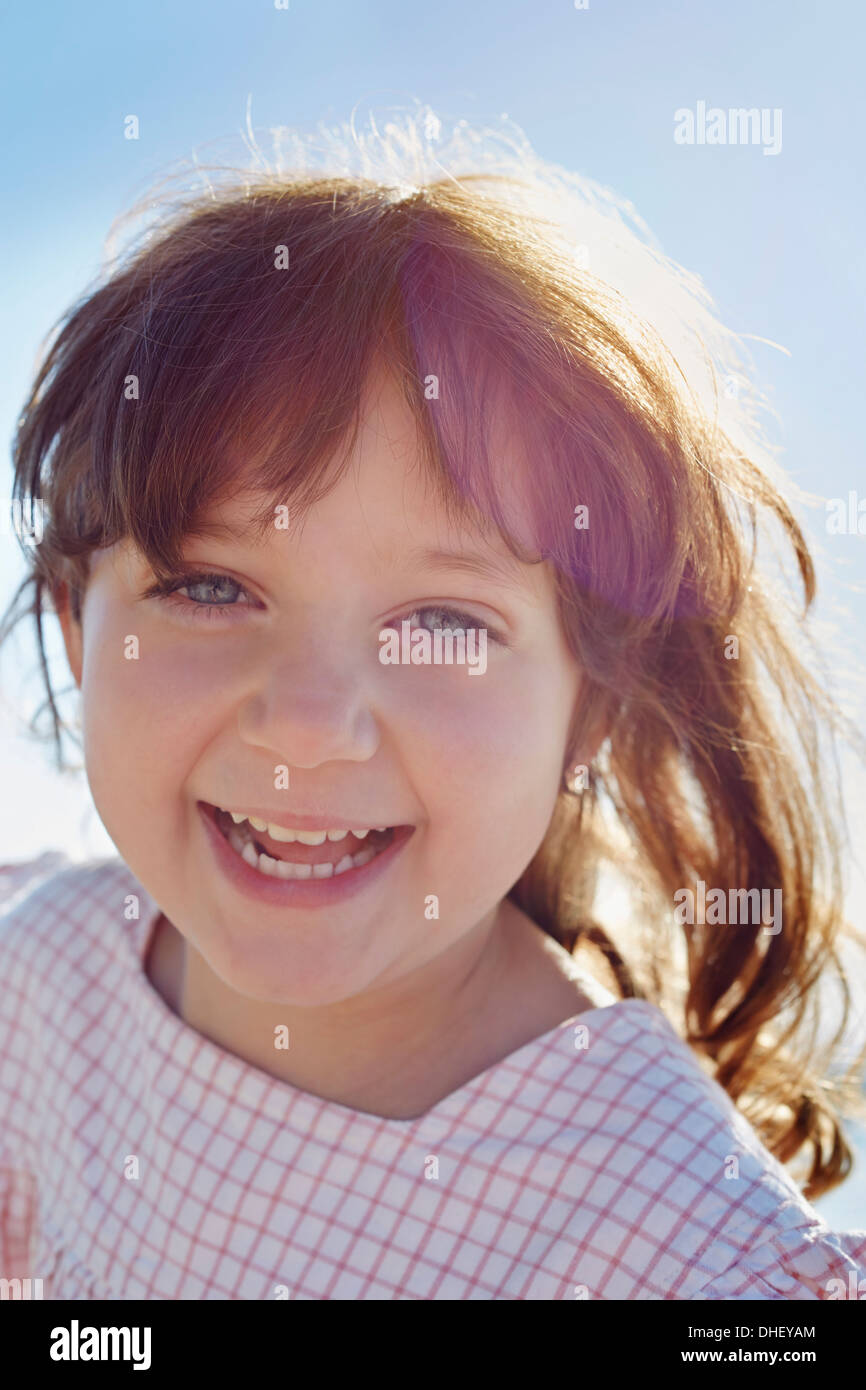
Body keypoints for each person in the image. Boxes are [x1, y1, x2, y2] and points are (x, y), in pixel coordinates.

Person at [1, 113, 864, 1300]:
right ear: (72, 630)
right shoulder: (41, 985)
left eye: (444, 624)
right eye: (209, 586)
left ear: (592, 711)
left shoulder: (681, 1259)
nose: (307, 723)